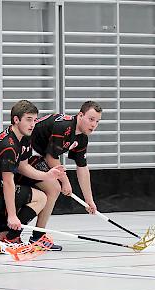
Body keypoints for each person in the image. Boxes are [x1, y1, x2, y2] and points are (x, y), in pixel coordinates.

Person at [16, 101, 102, 251]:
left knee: (53, 188)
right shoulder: (64, 127)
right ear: (80, 115)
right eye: (91, 119)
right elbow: (51, 158)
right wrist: (65, 182)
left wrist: (89, 200)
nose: (94, 124)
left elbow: (82, 168)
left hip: (38, 156)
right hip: (25, 152)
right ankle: (34, 236)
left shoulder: (82, 138)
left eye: (97, 121)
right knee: (54, 187)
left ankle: (37, 236)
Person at [0, 100, 65, 244]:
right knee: (41, 198)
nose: (33, 124)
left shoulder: (24, 137)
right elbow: (8, 183)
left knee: (50, 188)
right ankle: (12, 235)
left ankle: (12, 233)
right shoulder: (9, 146)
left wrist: (47, 175)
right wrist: (12, 216)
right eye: (28, 120)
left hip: (2, 183)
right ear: (16, 119)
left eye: (34, 120)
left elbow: (23, 167)